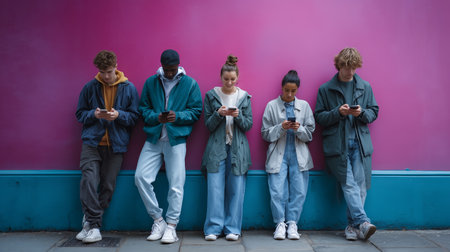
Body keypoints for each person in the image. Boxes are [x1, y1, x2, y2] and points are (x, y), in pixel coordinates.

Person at [135, 49, 202, 244]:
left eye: (172, 70)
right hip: (154, 139)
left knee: (176, 185)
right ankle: (158, 220)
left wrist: (177, 116)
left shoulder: (190, 84)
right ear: (161, 67)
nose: (170, 73)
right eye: (166, 70)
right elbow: (143, 109)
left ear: (179, 65)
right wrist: (156, 117)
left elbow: (196, 111)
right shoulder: (151, 82)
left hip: (176, 140)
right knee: (140, 177)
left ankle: (172, 226)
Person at [314, 48, 379, 241]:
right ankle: (363, 222)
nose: (350, 72)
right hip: (337, 145)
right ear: (338, 65)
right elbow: (319, 117)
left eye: (353, 68)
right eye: (346, 67)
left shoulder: (365, 87)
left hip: (360, 143)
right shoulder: (326, 89)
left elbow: (374, 112)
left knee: (359, 187)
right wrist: (338, 112)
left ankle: (353, 226)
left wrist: (362, 113)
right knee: (348, 183)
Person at [75, 50, 139, 243]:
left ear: (116, 67)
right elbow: (79, 114)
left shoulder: (129, 88)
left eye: (109, 72)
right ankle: (94, 226)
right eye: (102, 72)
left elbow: (135, 117)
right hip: (92, 142)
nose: (106, 76)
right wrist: (92, 115)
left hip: (116, 144)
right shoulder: (90, 87)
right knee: (88, 180)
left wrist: (119, 115)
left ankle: (90, 221)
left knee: (108, 186)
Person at [202, 55, 253, 241]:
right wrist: (218, 114)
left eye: (232, 79)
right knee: (214, 187)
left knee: (236, 189)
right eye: (226, 79)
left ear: (237, 78)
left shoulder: (244, 96)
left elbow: (248, 125)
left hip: (238, 149)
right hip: (216, 147)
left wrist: (238, 116)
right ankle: (213, 229)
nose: (229, 82)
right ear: (221, 77)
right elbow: (208, 125)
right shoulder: (211, 95)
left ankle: (232, 229)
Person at [261, 70, 315, 240]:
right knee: (277, 191)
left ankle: (292, 223)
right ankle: (279, 223)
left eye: (293, 91)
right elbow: (265, 134)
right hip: (278, 155)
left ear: (297, 89)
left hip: (299, 155)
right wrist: (281, 127)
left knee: (299, 191)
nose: (289, 94)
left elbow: (310, 134)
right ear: (282, 88)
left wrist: (298, 128)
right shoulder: (271, 106)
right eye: (286, 90)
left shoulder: (305, 106)